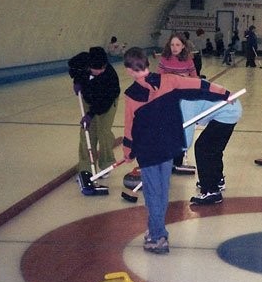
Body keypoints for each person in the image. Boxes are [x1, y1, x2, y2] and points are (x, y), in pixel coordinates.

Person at [121, 47, 233, 254]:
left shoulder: (132, 95)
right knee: (162, 192)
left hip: (148, 152)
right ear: (148, 64)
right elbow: (199, 86)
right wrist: (224, 93)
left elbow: (130, 127)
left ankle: (157, 236)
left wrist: (128, 150)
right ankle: (155, 230)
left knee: (153, 194)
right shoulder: (169, 81)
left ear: (129, 70)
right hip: (168, 147)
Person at [68, 47, 121, 179]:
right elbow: (73, 67)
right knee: (87, 131)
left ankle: (106, 163)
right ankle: (85, 167)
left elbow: (103, 103)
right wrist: (77, 81)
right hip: (88, 97)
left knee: (103, 131)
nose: (100, 71)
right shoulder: (81, 61)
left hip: (106, 102)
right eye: (96, 69)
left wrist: (90, 115)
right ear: (89, 65)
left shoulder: (110, 77)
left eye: (103, 68)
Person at [180, 95, 242, 205]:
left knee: (202, 148)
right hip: (232, 109)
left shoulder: (186, 101)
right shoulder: (185, 92)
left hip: (226, 112)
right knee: (214, 149)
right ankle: (217, 180)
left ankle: (211, 190)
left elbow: (186, 136)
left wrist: (177, 150)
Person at [157, 32, 198, 174]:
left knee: (180, 127)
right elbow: (159, 78)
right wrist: (177, 77)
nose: (175, 48)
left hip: (183, 98)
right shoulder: (164, 59)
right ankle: (166, 158)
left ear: (183, 46)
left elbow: (194, 79)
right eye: (172, 44)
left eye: (178, 45)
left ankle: (178, 160)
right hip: (167, 98)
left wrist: (183, 79)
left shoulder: (188, 60)